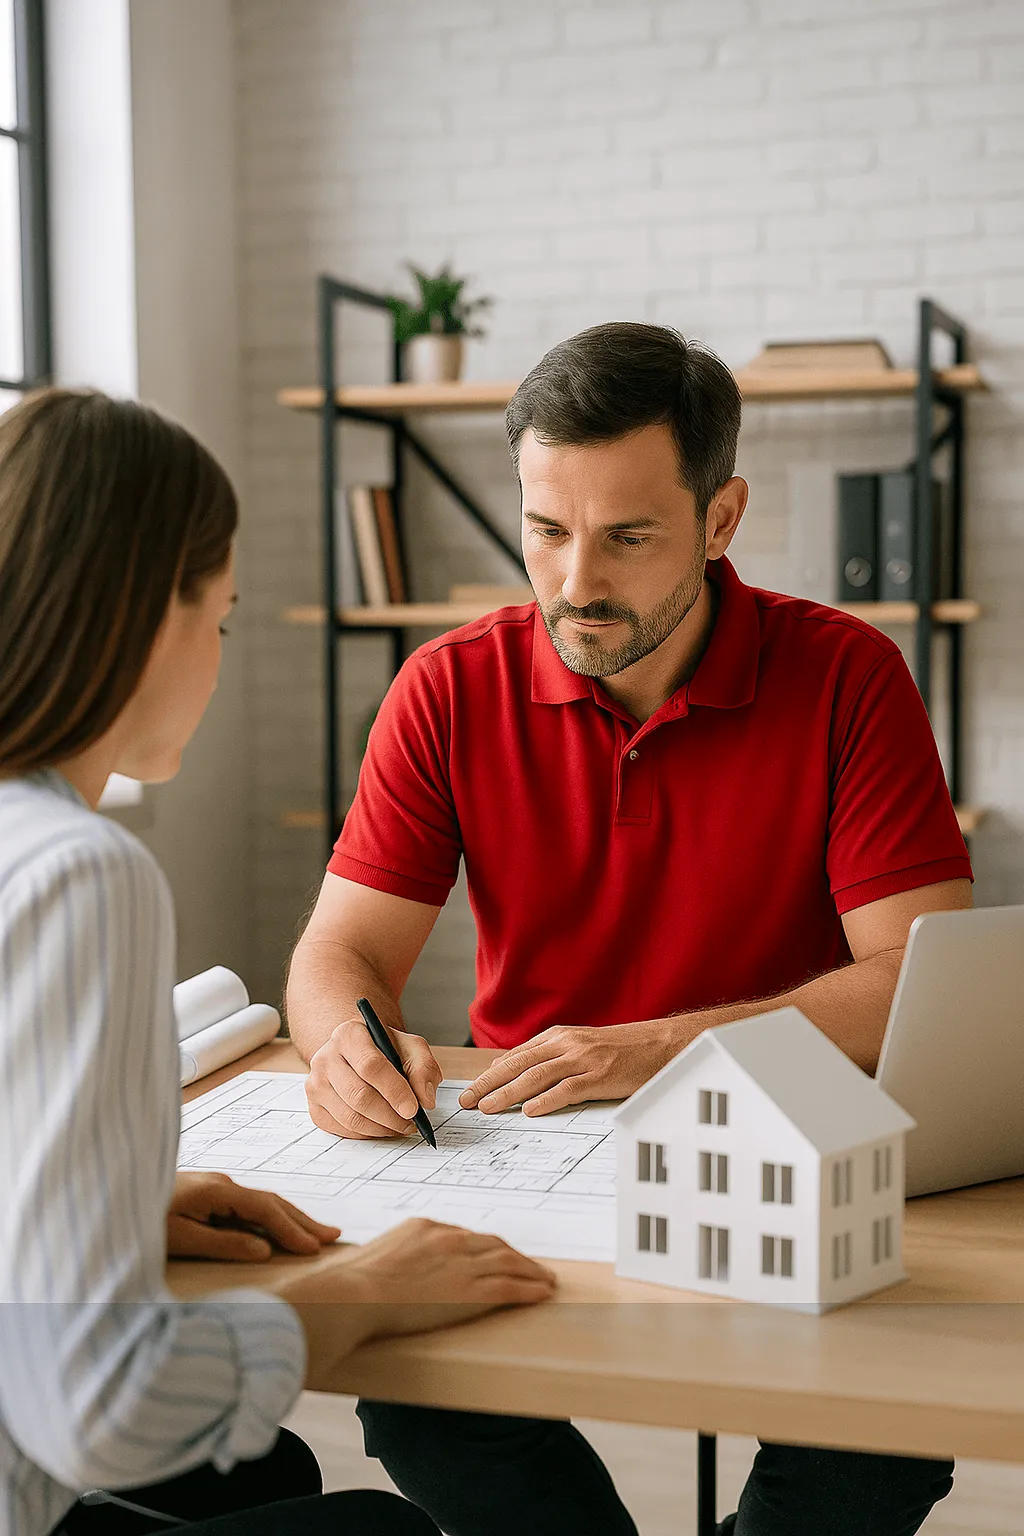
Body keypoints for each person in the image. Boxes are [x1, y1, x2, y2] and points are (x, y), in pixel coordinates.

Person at [285, 323, 970, 1535]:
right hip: (525, 1153)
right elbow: (340, 955)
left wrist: (650, 1047)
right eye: (546, 530)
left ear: (719, 520)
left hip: (793, 1152)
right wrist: (347, 1042)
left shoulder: (849, 677)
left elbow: (917, 985)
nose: (574, 581)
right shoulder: (446, 686)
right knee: (416, 1395)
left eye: (627, 535)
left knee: (883, 1433)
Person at [0, 388, 557, 1536]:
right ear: (146, 618)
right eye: (223, 618)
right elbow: (101, 1407)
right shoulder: (76, 873)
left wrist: (110, 1215)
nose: (217, 653)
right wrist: (353, 1294)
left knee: (267, 1481)